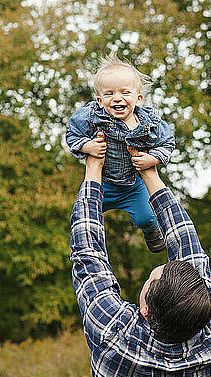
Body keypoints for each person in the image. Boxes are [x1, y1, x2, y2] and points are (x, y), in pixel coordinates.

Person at [69, 150, 211, 377]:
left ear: (145, 310)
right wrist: (148, 171)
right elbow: (188, 249)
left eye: (154, 277)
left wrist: (93, 168)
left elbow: (88, 255)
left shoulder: (113, 334)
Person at [65, 53, 175, 253]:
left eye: (125, 93)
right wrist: (87, 147)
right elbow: (72, 134)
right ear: (99, 100)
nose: (117, 98)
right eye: (109, 94)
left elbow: (167, 143)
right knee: (83, 212)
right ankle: (86, 244)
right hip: (103, 182)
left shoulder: (150, 122)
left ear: (138, 98)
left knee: (147, 217)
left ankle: (152, 230)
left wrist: (152, 159)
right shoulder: (91, 116)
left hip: (133, 186)